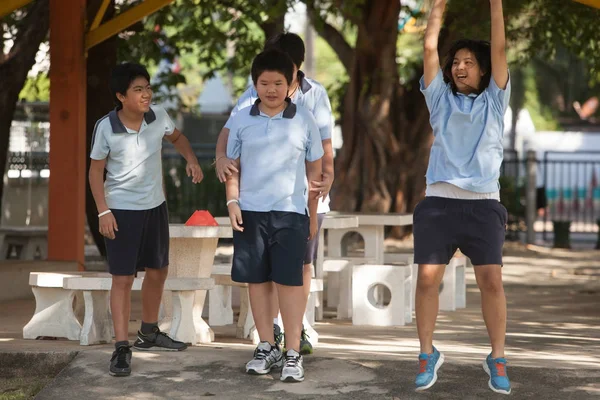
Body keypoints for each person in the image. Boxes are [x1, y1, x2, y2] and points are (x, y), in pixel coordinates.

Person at [215, 32, 334, 355]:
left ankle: (294, 346)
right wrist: (232, 198)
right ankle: (266, 344)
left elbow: (318, 164)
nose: (271, 89)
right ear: (255, 82)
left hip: (292, 211)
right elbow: (229, 154)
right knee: (258, 279)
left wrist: (314, 206)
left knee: (293, 276)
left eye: (279, 82)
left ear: (293, 76)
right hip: (252, 211)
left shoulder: (305, 115)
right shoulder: (243, 115)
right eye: (264, 82)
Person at [415, 0, 511, 394]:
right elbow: (428, 49)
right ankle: (426, 354)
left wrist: (496, 4)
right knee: (426, 279)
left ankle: (498, 357)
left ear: (485, 70)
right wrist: (436, 6)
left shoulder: (494, 100)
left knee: (491, 280)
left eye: (469, 61)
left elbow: (501, 47)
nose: (459, 66)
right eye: (456, 61)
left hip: (484, 203)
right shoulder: (439, 99)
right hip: (439, 201)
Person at [89, 62, 204, 377]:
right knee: (123, 279)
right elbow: (95, 171)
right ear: (121, 96)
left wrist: (191, 160)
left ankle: (149, 333)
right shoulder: (105, 127)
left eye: (147, 88)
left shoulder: (158, 117)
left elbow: (178, 138)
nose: (146, 95)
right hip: (120, 211)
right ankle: (122, 348)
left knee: (158, 271)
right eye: (137, 90)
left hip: (155, 207)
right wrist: (103, 211)